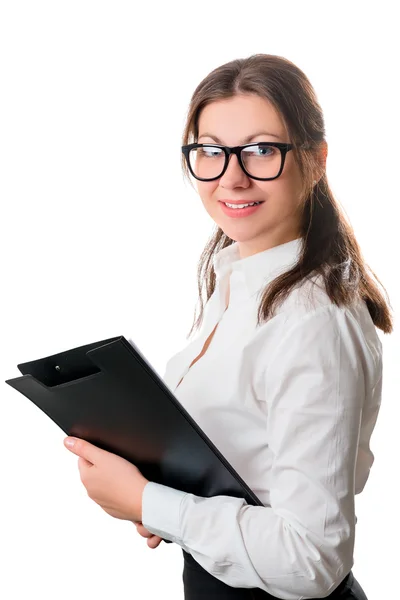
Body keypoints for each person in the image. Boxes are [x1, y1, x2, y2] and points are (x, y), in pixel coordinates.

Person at [65, 54, 393, 600]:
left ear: (315, 160)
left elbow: (312, 558)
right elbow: (248, 465)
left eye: (262, 150)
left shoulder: (312, 321)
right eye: (211, 152)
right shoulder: (237, 279)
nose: (232, 176)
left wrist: (151, 503)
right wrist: (161, 499)